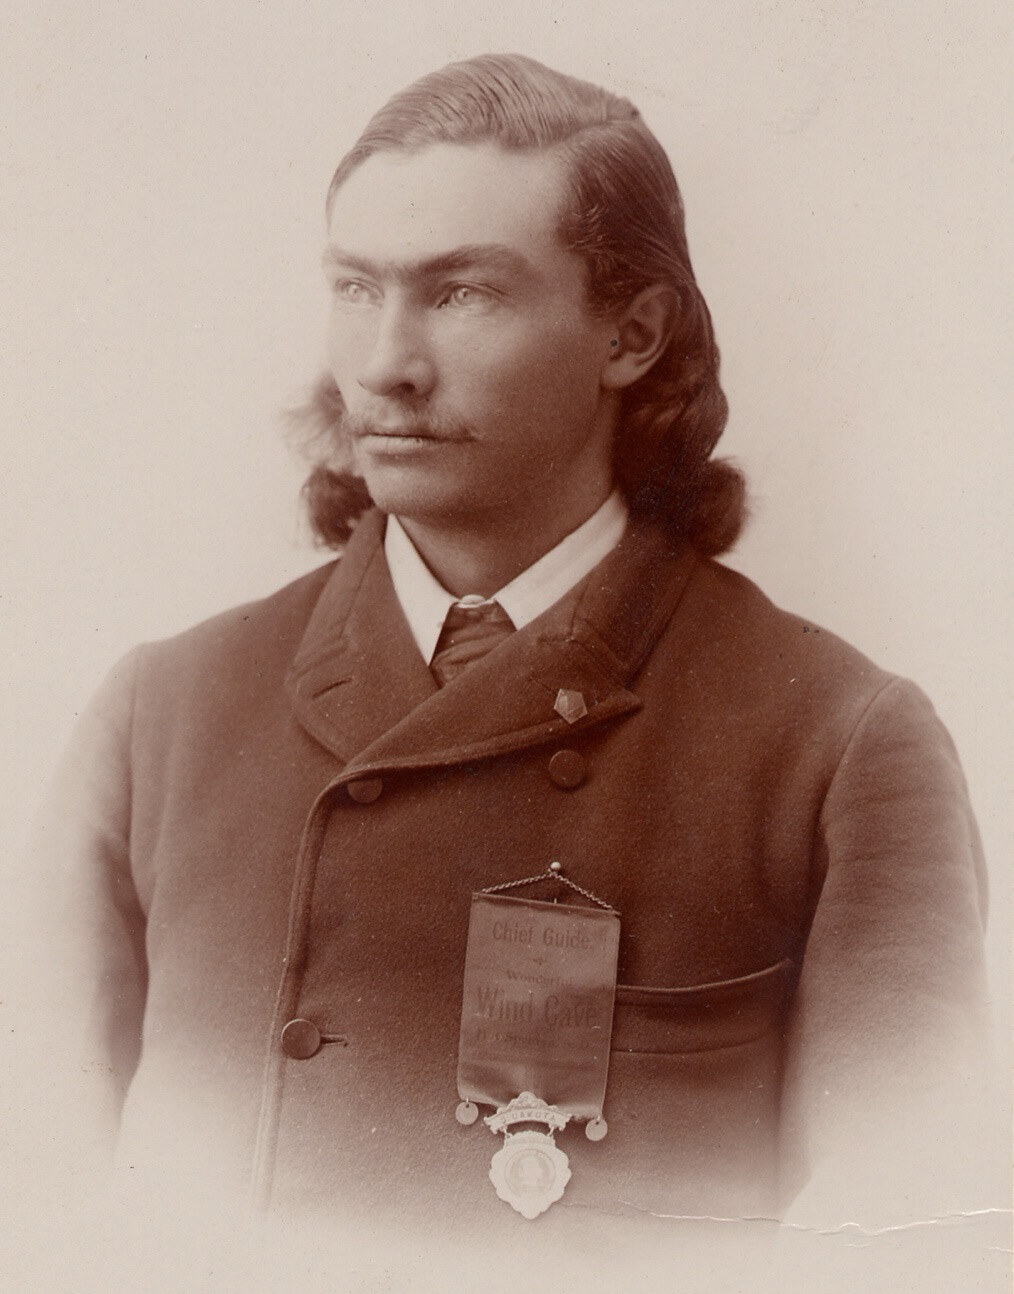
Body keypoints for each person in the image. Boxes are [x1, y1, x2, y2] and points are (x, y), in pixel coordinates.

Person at [32, 53, 989, 1256]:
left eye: (463, 293)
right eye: (353, 287)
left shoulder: (840, 744)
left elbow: (910, 1247)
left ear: (632, 334)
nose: (385, 363)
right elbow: (40, 1212)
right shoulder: (159, 713)